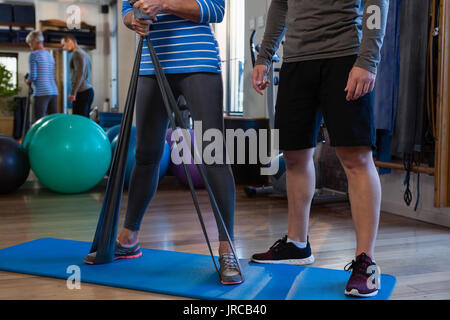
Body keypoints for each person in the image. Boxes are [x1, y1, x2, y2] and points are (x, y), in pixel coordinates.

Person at [85, 0, 242, 285]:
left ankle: (227, 248)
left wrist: (164, 5)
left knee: (213, 154)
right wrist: (133, 18)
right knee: (146, 153)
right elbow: (125, 10)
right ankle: (129, 238)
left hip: (198, 63)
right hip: (150, 63)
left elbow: (216, 10)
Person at [251, 0, 388, 298]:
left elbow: (377, 3)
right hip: (297, 60)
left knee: (356, 158)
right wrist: (265, 55)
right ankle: (297, 244)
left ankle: (366, 262)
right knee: (295, 154)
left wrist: (368, 59)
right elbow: (280, 5)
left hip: (345, 56)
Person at [25, 31, 58, 123]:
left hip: (41, 92)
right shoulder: (49, 55)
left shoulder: (33, 55)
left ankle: (39, 138)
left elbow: (33, 76)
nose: (30, 46)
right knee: (53, 121)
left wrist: (28, 80)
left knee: (38, 122)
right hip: (53, 92)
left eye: (30, 44)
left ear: (35, 42)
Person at [60, 34, 94, 117]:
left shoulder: (77, 53)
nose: (63, 48)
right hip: (87, 91)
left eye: (63, 45)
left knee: (79, 122)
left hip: (82, 93)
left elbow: (79, 74)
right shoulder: (84, 53)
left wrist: (73, 93)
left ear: (69, 41)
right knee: (84, 121)